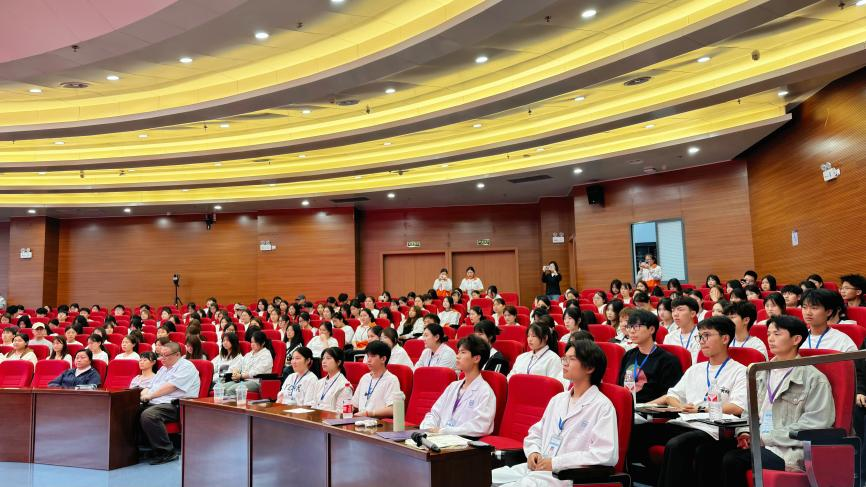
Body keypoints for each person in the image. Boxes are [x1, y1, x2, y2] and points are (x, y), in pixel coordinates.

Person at [631, 316, 747, 487]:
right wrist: (680, 406)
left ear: (725, 338)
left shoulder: (739, 371)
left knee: (677, 445)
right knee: (636, 432)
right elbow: (672, 395)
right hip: (686, 422)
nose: (702, 341)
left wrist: (700, 409)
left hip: (712, 429)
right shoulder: (695, 369)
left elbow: (737, 407)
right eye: (700, 336)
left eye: (707, 335)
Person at [722, 316, 835, 487]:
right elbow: (748, 412)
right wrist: (744, 433)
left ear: (796, 339)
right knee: (709, 450)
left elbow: (816, 423)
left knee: (733, 460)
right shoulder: (760, 371)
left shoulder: (813, 378)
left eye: (777, 334)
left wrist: (765, 438)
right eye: (768, 334)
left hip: (787, 450)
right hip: (758, 441)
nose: (770, 339)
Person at [493, 340, 617, 487]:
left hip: (566, 475)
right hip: (539, 467)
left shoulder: (602, 406)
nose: (565, 363)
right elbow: (536, 433)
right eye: (565, 358)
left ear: (590, 367)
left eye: (572, 359)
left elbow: (604, 454)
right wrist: (533, 452)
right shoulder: (558, 399)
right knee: (486, 476)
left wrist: (556, 463)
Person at [138, 342, 201, 465]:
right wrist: (143, 394)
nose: (162, 358)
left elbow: (171, 387)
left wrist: (150, 396)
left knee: (149, 415)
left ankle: (167, 452)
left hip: (177, 404)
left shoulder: (186, 366)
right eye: (161, 355)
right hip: (157, 402)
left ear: (177, 354)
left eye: (165, 355)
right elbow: (150, 386)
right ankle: (143, 447)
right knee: (129, 410)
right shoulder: (163, 368)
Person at [421, 335, 496, 437]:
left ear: (476, 358)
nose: (457, 356)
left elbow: (480, 426)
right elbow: (434, 413)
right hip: (438, 437)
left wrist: (444, 431)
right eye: (458, 352)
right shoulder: (453, 386)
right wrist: (428, 428)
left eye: (463, 352)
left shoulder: (485, 392)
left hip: (461, 442)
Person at [617, 310, 682, 403]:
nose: (631, 331)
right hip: (626, 406)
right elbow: (620, 386)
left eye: (637, 326)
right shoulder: (629, 354)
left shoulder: (668, 360)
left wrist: (641, 407)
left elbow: (671, 396)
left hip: (650, 410)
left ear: (651, 329)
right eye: (629, 326)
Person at [352, 341, 400, 418]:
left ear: (383, 359)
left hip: (378, 422)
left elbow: (393, 409)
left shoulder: (391, 380)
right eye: (368, 356)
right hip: (360, 420)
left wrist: (369, 413)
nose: (368, 360)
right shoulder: (365, 378)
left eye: (373, 356)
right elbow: (354, 405)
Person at [309, 347, 353, 411]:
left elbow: (341, 412)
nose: (323, 361)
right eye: (323, 358)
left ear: (338, 362)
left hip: (332, 417)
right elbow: (314, 404)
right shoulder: (319, 382)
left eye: (328, 358)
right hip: (316, 415)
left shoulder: (344, 386)